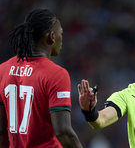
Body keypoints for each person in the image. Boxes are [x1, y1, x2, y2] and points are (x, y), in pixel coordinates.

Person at [0, 9, 83, 148]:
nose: (62, 38)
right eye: (60, 33)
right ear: (51, 36)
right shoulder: (56, 74)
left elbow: (1, 130)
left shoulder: (2, 70)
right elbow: (63, 132)